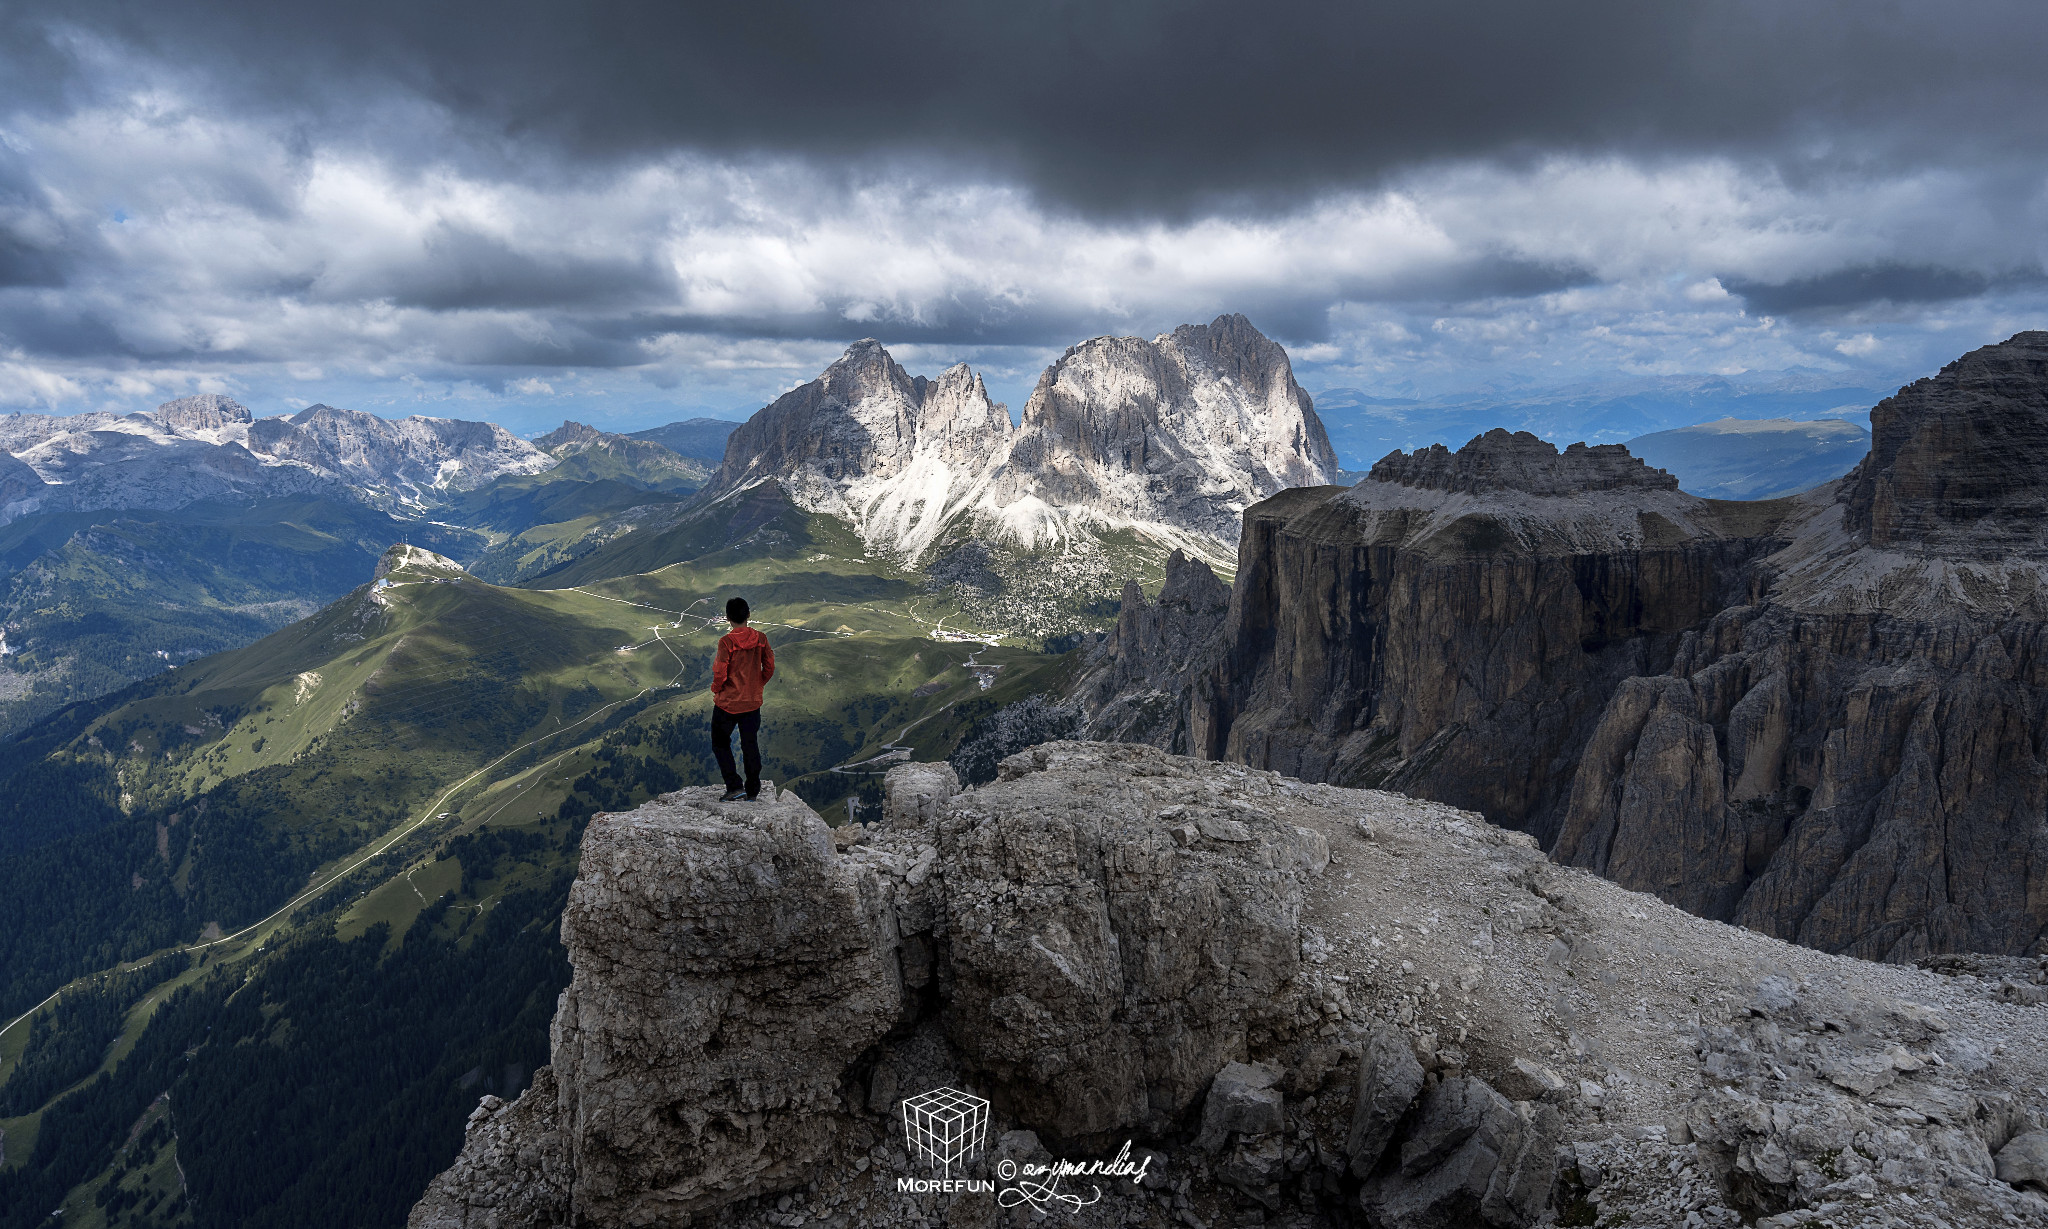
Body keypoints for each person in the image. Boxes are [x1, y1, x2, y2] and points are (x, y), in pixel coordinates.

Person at [710, 596, 775, 801]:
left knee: (720, 743)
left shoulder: (726, 642)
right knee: (750, 744)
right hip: (752, 702)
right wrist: (758, 684)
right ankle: (753, 791)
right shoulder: (762, 639)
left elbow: (720, 673)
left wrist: (716, 689)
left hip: (727, 704)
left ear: (728, 618)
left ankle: (735, 786)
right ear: (748, 614)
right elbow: (770, 666)